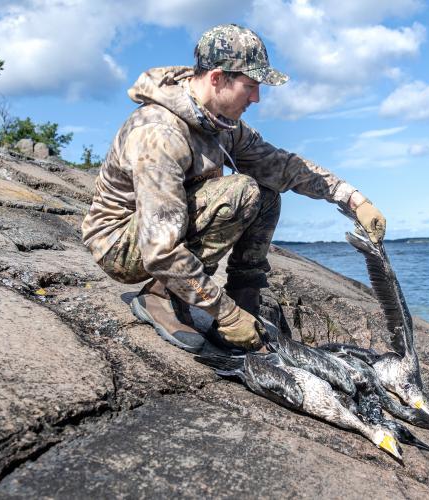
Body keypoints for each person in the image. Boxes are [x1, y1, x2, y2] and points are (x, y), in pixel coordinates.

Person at [81, 24, 386, 353]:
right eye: (250, 86)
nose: (256, 98)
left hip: (164, 229)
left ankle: (246, 295)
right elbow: (159, 248)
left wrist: (352, 199)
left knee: (267, 193)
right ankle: (161, 295)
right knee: (242, 190)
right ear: (216, 78)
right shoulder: (160, 133)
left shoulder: (220, 123)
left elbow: (280, 165)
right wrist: (223, 313)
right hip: (123, 244)